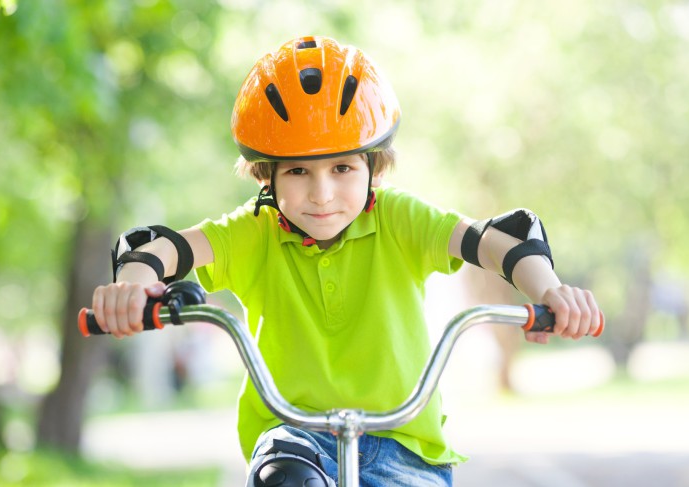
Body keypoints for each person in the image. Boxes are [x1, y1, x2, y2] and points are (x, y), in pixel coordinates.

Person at [91, 36, 601, 487]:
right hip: (296, 439)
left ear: (374, 165)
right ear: (265, 176)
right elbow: (160, 247)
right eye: (297, 172)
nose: (322, 194)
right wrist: (134, 285)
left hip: (408, 449)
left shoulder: (401, 218)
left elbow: (497, 241)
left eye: (342, 168)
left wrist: (548, 291)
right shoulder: (252, 231)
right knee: (286, 478)